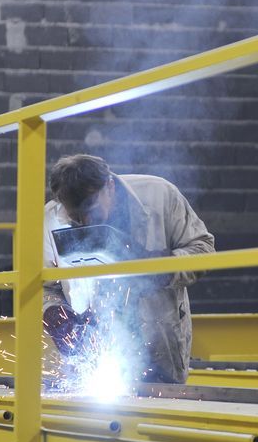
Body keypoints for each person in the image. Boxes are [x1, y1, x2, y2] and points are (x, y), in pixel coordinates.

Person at [40, 154, 214, 386]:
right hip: (93, 357)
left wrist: (160, 268)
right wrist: (57, 318)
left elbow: (203, 249)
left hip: (159, 345)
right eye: (76, 218)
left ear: (110, 186)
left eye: (92, 209)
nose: (87, 222)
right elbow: (43, 287)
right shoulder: (51, 219)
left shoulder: (160, 196)